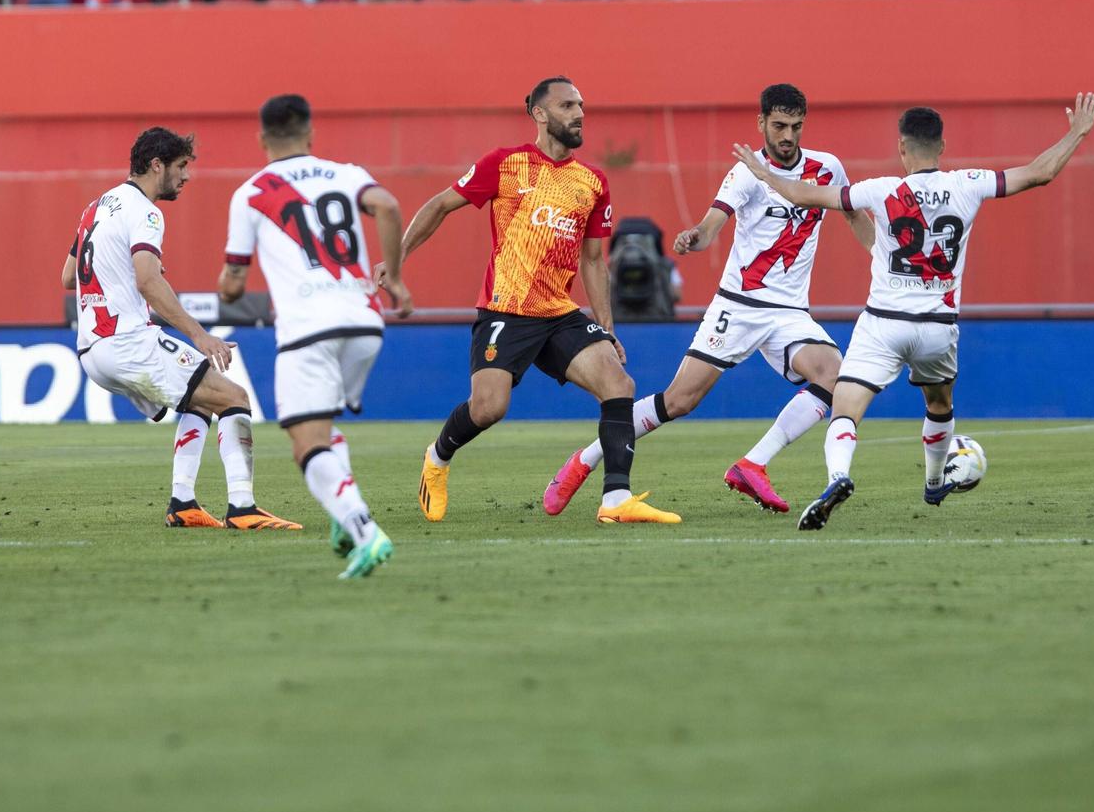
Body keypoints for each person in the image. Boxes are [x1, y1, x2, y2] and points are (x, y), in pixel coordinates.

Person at [730, 97, 1094, 529]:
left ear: (902, 147)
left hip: (883, 321)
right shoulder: (970, 183)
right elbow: (1040, 173)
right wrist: (1077, 133)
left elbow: (801, 192)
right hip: (938, 327)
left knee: (846, 408)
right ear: (941, 146)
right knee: (939, 404)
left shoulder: (879, 190)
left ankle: (839, 477)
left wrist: (763, 172)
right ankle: (934, 481)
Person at [547, 85, 875, 517]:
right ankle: (583, 460)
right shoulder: (746, 174)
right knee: (679, 401)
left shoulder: (827, 168)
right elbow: (710, 225)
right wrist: (693, 238)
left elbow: (852, 214)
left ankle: (752, 464)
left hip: (790, 312)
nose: (787, 136)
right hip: (738, 306)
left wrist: (886, 260)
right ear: (761, 124)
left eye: (795, 127)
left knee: (837, 378)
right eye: (778, 126)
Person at [400, 77, 680, 526]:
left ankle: (615, 500)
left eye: (582, 105)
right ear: (540, 113)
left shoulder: (591, 182)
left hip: (559, 313)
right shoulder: (505, 164)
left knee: (619, 385)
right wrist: (396, 259)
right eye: (568, 105)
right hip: (505, 310)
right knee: (489, 408)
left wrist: (608, 329)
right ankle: (436, 457)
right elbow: (438, 206)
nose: (579, 113)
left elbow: (593, 261)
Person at [214, 94, 409, 574]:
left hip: (308, 329)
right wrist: (397, 279)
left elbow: (233, 287)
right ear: (311, 133)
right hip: (365, 324)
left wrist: (229, 282)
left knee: (306, 444)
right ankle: (344, 520)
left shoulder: (252, 192)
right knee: (323, 426)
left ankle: (365, 531)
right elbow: (386, 205)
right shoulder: (346, 172)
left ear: (261, 138)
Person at [63, 128, 279, 530]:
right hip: (127, 340)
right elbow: (148, 281)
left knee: (198, 402)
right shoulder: (146, 211)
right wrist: (200, 334)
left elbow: (66, 276)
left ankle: (183, 503)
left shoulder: (95, 207)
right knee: (234, 396)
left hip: (92, 350)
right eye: (181, 166)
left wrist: (120, 270)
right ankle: (244, 508)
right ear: (156, 165)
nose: (186, 176)